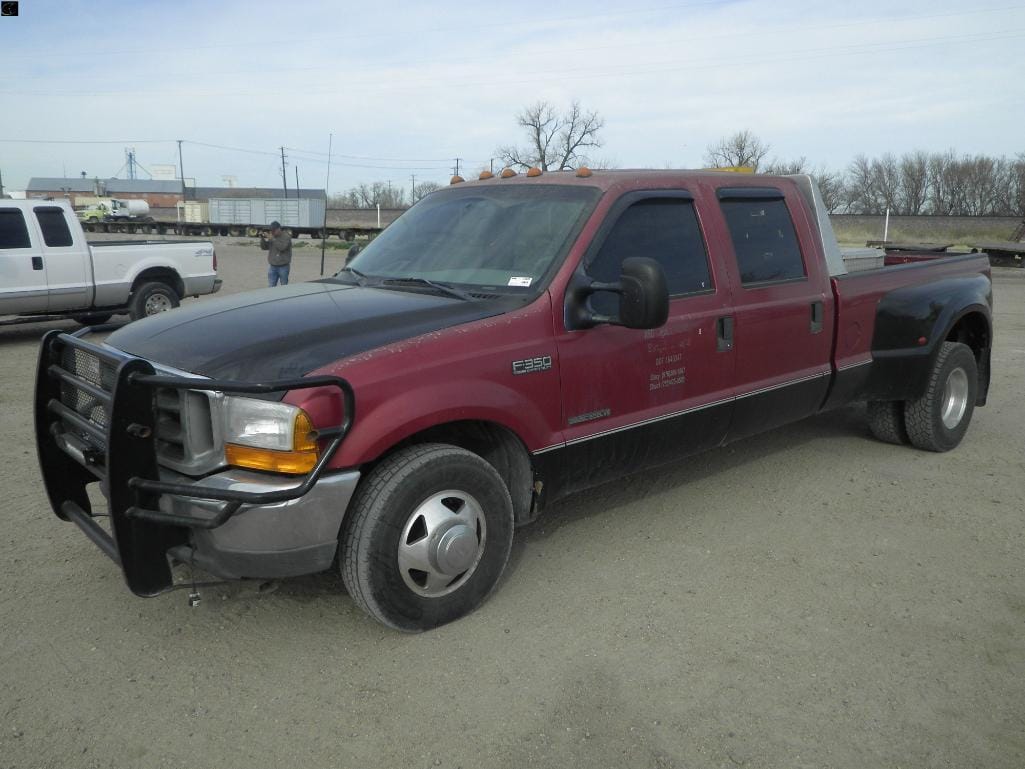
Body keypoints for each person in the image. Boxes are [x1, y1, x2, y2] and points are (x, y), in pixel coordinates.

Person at [260, 221, 293, 286]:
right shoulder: (272, 236)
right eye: (271, 230)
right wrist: (262, 239)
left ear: (279, 229)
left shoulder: (286, 237)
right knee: (271, 286)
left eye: (273, 230)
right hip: (273, 266)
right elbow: (264, 247)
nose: (272, 232)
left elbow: (282, 247)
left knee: (284, 286)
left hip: (283, 266)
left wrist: (272, 239)